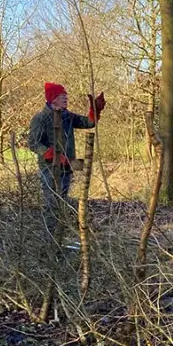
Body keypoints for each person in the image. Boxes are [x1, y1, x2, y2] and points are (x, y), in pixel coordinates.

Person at [28, 82, 105, 235]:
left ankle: (59, 235)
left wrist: (95, 110)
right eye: (62, 95)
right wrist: (53, 155)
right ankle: (49, 239)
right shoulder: (40, 118)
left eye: (66, 95)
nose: (66, 97)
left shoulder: (67, 116)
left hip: (67, 167)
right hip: (49, 169)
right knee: (51, 204)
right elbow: (33, 144)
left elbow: (88, 123)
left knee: (62, 202)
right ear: (52, 98)